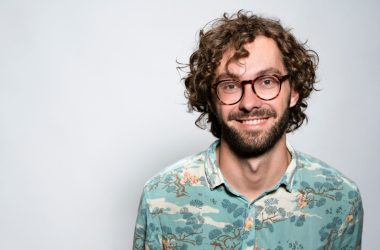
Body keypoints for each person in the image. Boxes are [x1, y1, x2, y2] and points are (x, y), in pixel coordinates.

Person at [133, 11, 363, 250]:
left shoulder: (340, 199)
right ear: (211, 99)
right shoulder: (160, 197)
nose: (249, 103)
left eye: (267, 81)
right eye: (230, 85)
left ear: (293, 91)